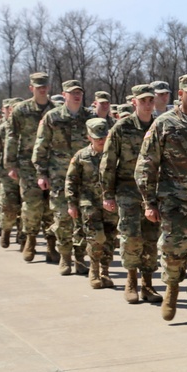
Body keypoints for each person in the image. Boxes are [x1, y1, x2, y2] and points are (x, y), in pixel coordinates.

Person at [136, 74, 187, 330]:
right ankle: (171, 288)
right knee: (173, 252)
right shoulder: (164, 124)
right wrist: (149, 202)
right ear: (179, 95)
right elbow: (146, 165)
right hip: (175, 203)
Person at [101, 84, 162, 304]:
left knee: (151, 237)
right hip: (127, 188)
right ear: (134, 102)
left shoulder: (160, 125)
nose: (147, 104)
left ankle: (147, 284)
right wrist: (107, 194)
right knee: (130, 236)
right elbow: (108, 162)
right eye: (143, 100)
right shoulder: (122, 127)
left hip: (153, 190)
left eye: (150, 100)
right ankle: (131, 281)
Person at [33, 79, 91, 276]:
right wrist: (41, 174)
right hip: (59, 177)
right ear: (64, 94)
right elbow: (41, 146)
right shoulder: (52, 117)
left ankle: (80, 258)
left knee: (84, 218)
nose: (77, 96)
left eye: (79, 92)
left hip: (85, 177)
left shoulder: (90, 117)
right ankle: (65, 257)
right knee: (63, 218)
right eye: (72, 92)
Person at [6, 72, 55, 262]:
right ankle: (31, 241)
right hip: (27, 165)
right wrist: (11, 164)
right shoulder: (21, 110)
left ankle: (51, 244)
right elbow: (12, 137)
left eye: (45, 86)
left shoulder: (54, 109)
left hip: (51, 164)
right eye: (38, 86)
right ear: (31, 88)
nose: (42, 89)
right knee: (32, 205)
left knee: (51, 206)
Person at [67, 118, 118, 290]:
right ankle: (94, 271)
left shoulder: (114, 156)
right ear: (89, 137)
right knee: (96, 238)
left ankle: (105, 271)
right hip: (89, 203)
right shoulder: (82, 156)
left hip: (111, 204)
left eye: (104, 137)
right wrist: (71, 204)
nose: (101, 141)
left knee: (110, 238)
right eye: (97, 138)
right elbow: (71, 181)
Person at [0, 98, 23, 248]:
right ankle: (6, 230)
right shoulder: (1, 128)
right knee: (8, 206)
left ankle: (22, 237)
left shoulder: (28, 127)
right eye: (10, 109)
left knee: (25, 207)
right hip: (6, 174)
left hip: (26, 172)